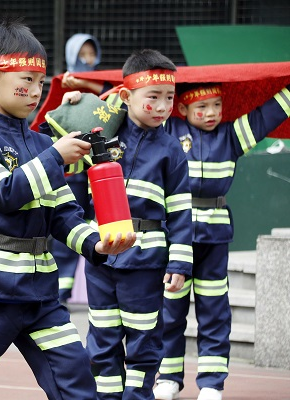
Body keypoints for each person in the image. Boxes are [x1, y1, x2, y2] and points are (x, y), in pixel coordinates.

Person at [0, 19, 136, 400]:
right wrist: (55, 155)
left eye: (41, 82)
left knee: (78, 383)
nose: (36, 91)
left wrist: (96, 245)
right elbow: (4, 193)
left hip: (41, 293)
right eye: (27, 80)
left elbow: (65, 216)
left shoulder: (40, 143)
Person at [63, 49, 194, 399]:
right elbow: (56, 147)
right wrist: (72, 106)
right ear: (126, 96)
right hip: (101, 255)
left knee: (143, 337)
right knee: (102, 338)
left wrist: (180, 262)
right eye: (153, 97)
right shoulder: (101, 132)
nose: (164, 106)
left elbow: (181, 211)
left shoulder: (172, 150)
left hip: (145, 260)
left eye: (169, 97)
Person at [153, 82, 290, 400]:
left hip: (214, 240)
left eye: (217, 105)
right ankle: (168, 377)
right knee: (170, 311)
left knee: (214, 312)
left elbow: (266, 116)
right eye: (202, 107)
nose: (212, 113)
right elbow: (131, 105)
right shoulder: (167, 129)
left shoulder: (232, 135)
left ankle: (212, 383)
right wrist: (88, 88)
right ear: (183, 110)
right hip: (175, 237)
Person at [53, 33, 104, 304]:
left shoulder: (104, 81)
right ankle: (61, 292)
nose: (87, 59)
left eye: (91, 53)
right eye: (82, 54)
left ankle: (102, 283)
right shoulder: (62, 83)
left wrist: (86, 84)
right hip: (71, 169)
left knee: (98, 224)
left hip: (98, 166)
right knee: (69, 223)